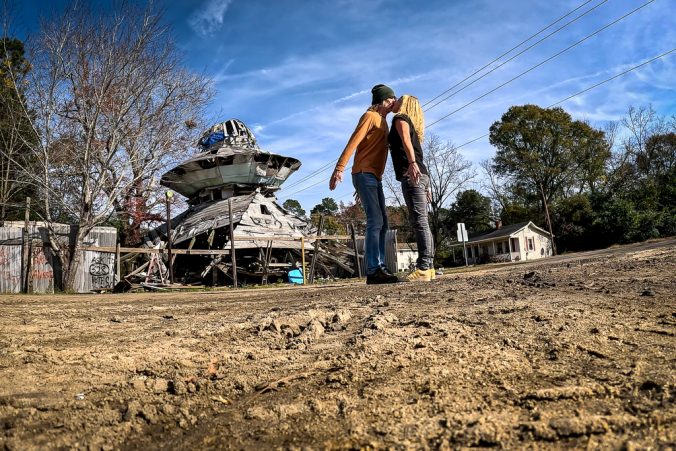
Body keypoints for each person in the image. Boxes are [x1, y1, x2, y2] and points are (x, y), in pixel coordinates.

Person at [329, 84, 398, 284]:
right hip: (364, 174)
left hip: (373, 177)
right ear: (382, 102)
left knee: (383, 223)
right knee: (375, 220)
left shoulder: (383, 122)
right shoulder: (370, 116)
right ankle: (373, 269)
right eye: (390, 99)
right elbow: (353, 142)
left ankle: (381, 266)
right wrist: (339, 168)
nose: (393, 102)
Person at [388, 95, 435, 281]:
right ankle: (429, 267)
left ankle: (423, 267)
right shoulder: (410, 123)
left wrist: (411, 163)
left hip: (412, 173)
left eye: (400, 98)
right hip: (422, 175)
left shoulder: (400, 118)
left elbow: (406, 141)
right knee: (422, 221)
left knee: (419, 221)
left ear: (405, 104)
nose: (396, 100)